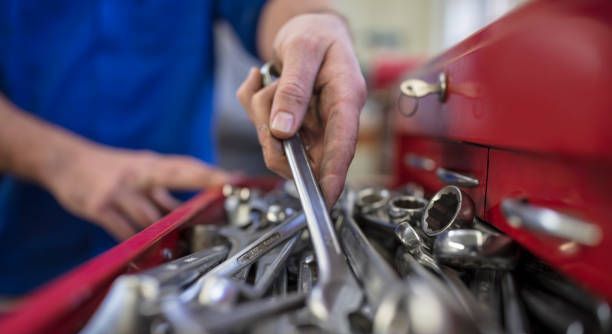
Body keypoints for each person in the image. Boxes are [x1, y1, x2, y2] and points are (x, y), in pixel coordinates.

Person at [0, 0, 366, 295]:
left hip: (187, 250)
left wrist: (309, 25)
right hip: (23, 269)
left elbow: (271, 6)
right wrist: (61, 161)